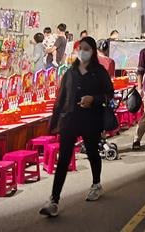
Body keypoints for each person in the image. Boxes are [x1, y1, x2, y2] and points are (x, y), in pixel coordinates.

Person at [40, 36, 113, 216]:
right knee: (64, 159)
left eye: (87, 49)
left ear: (93, 52)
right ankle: (54, 200)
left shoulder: (100, 72)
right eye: (81, 48)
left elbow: (109, 94)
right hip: (69, 121)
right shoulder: (70, 73)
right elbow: (61, 98)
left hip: (91, 120)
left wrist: (93, 99)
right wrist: (54, 122)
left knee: (92, 153)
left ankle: (96, 184)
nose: (83, 52)